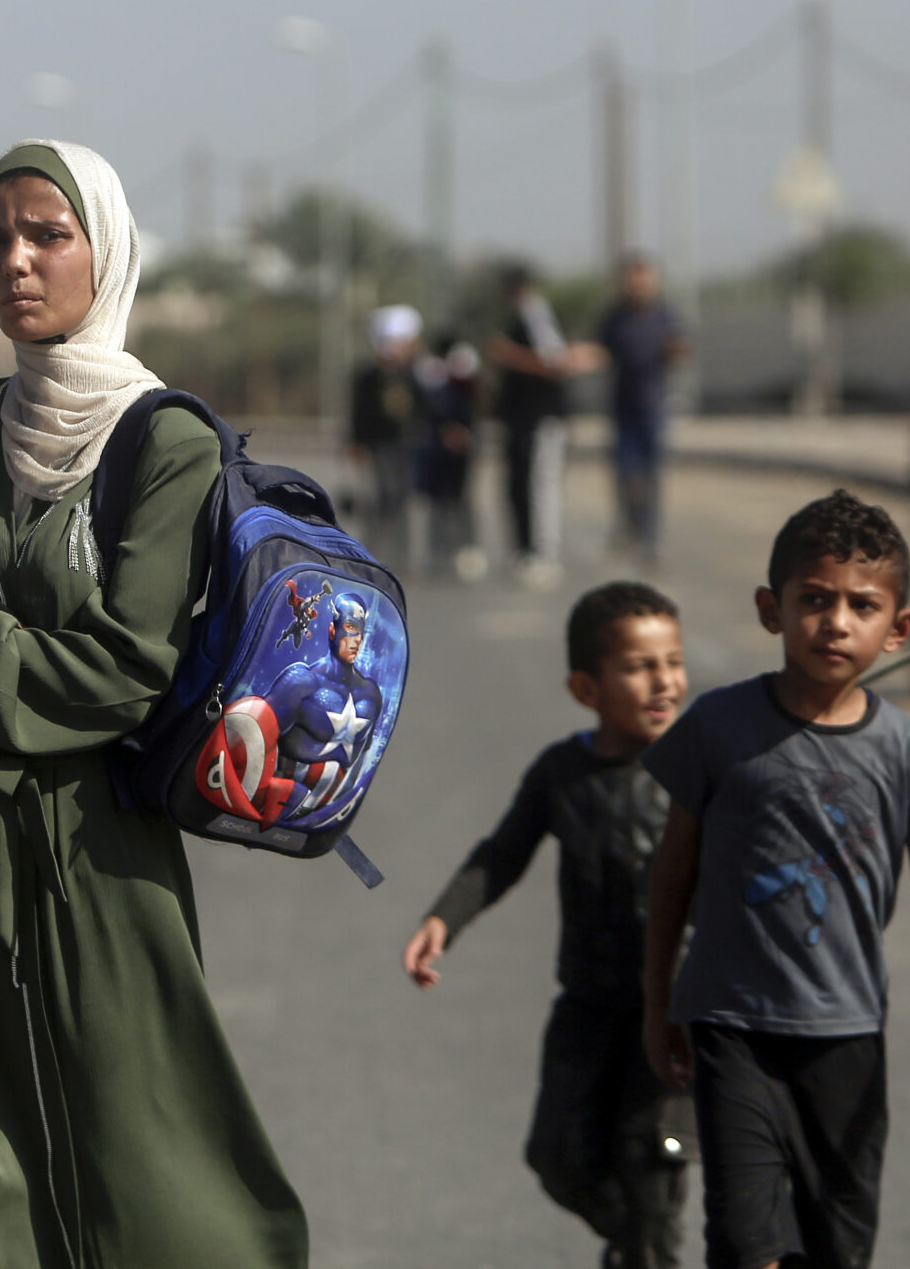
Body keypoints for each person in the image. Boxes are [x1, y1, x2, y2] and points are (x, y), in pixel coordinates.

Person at [0, 139, 307, 1267]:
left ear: (106, 249)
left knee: (151, 1190)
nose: (16, 264)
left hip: (98, 857)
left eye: (47, 235)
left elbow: (123, 670)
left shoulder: (162, 444)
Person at [642, 491, 910, 1269]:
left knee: (836, 1250)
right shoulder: (718, 728)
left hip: (846, 1036)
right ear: (771, 609)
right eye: (814, 600)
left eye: (863, 605)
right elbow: (672, 874)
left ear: (900, 627)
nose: (837, 621)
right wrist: (659, 1002)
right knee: (744, 1241)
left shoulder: (908, 750)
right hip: (731, 1026)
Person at [401, 581, 697, 1269]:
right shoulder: (561, 773)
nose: (663, 681)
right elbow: (502, 853)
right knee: (556, 1154)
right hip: (589, 1006)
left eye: (673, 661)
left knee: (651, 1166)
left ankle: (648, 1252)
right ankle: (636, 1249)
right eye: (638, 666)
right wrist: (445, 915)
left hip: (676, 1014)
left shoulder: (701, 772)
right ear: (585, 687)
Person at [489, 263, 581, 585]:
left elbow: (554, 362)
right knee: (521, 485)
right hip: (523, 418)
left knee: (541, 486)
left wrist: (510, 355)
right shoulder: (523, 313)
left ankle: (544, 554)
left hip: (542, 417)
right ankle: (528, 551)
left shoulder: (535, 312)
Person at [597, 255, 690, 563]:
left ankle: (651, 537)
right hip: (623, 408)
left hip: (653, 407)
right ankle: (629, 524)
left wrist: (675, 350)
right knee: (625, 474)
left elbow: (682, 348)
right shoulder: (615, 318)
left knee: (651, 476)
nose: (637, 287)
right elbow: (598, 350)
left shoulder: (665, 316)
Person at [348, 303, 425, 569]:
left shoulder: (410, 374)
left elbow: (421, 407)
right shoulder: (369, 376)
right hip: (378, 444)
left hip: (404, 443)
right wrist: (355, 442)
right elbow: (358, 412)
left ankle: (404, 556)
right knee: (382, 496)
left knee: (402, 498)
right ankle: (372, 553)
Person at [415, 331, 484, 579]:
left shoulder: (464, 374)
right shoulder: (430, 375)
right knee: (439, 502)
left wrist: (460, 432)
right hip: (436, 450)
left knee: (460, 500)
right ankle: (440, 554)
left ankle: (465, 551)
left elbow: (470, 408)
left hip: (459, 449)